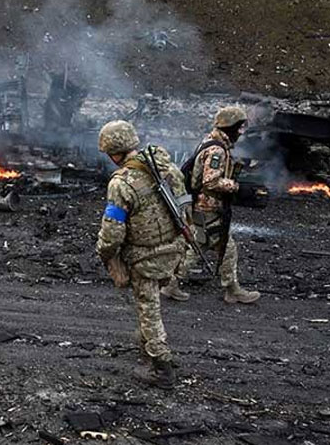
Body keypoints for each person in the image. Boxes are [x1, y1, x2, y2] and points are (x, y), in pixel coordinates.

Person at [96, 120, 187, 390]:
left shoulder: (121, 183)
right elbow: (185, 206)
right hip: (174, 249)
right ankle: (149, 349)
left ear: (114, 152)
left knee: (148, 309)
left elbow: (113, 231)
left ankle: (162, 367)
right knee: (151, 304)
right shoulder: (167, 168)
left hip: (144, 257)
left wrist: (105, 253)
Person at [163, 106, 260, 304]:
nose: (241, 133)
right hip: (207, 206)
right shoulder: (217, 150)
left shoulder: (211, 141)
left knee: (201, 245)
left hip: (201, 206)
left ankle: (171, 284)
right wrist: (236, 187)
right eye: (239, 128)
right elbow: (210, 181)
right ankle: (231, 290)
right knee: (222, 246)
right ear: (230, 127)